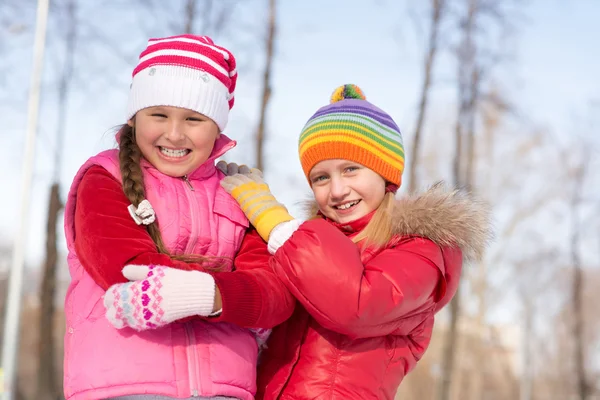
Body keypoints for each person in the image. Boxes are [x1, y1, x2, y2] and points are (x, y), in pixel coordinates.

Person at [218, 84, 492, 399]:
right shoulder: (309, 244)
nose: (336, 190)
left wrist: (274, 221)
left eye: (351, 169)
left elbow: (355, 306)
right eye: (321, 177)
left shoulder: (423, 251)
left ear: (384, 172)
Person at [63, 34, 294, 400]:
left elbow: (274, 294)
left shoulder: (237, 194)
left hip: (225, 389)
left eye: (193, 118)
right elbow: (127, 270)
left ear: (217, 127)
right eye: (158, 114)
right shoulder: (105, 178)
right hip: (127, 386)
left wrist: (206, 295)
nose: (174, 133)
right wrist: (228, 295)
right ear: (136, 117)